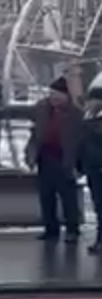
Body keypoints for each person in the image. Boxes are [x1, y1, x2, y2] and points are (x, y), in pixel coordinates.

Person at [32, 76, 83, 243]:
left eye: (57, 95)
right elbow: (22, 112)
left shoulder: (75, 113)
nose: (54, 98)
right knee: (46, 196)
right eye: (52, 94)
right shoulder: (42, 108)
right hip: (44, 157)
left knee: (68, 197)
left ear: (66, 96)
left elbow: (80, 140)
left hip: (64, 159)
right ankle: (50, 229)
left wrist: (78, 163)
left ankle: (72, 230)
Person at [78, 87, 102, 256]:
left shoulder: (95, 120)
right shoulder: (88, 117)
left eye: (92, 100)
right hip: (92, 167)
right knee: (98, 204)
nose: (89, 103)